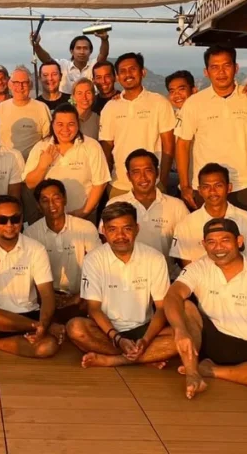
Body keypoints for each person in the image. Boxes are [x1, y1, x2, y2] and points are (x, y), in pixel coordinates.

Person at [174, 45, 247, 301]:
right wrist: (186, 184)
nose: (221, 72)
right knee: (206, 247)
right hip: (208, 189)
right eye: (215, 67)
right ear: (206, 72)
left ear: (236, 68)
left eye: (226, 65)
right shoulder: (195, 103)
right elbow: (182, 144)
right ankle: (209, 303)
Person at [164, 218, 247, 399]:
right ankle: (192, 373)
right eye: (211, 242)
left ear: (239, 241)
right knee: (186, 306)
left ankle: (211, 371)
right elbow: (173, 295)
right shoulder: (199, 267)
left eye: (225, 240)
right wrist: (179, 329)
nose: (218, 248)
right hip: (212, 338)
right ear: (204, 245)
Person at [65, 202, 177, 369]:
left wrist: (145, 341)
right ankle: (144, 357)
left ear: (137, 229)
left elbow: (161, 308)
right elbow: (93, 308)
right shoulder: (94, 259)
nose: (120, 236)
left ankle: (114, 360)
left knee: (183, 336)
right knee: (75, 328)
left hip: (143, 329)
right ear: (104, 232)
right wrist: (118, 338)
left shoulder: (155, 258)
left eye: (127, 228)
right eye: (113, 230)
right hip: (106, 330)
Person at [0, 196, 61, 358]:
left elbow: (47, 295)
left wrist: (43, 323)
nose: (9, 225)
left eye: (15, 219)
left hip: (26, 315)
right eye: (2, 220)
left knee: (48, 347)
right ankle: (30, 328)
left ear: (21, 219)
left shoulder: (36, 249)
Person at [165, 69, 247, 197]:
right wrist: (184, 186)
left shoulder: (207, 110)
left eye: (181, 89)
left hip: (215, 184)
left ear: (194, 90)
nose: (176, 95)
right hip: (188, 185)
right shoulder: (170, 118)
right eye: (172, 91)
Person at [99, 53, 177, 197]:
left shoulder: (159, 102)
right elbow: (106, 148)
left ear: (143, 72)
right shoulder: (110, 107)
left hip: (153, 183)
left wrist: (162, 180)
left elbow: (168, 145)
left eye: (132, 69)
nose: (128, 74)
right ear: (117, 77)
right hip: (119, 185)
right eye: (122, 71)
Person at [25, 179, 101, 323]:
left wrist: (79, 296)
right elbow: (30, 275)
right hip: (46, 297)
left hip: (80, 296)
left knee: (94, 304)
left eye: (56, 198)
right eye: (45, 200)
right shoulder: (30, 233)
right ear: (38, 206)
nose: (52, 205)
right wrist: (49, 298)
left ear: (65, 199)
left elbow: (98, 268)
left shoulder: (85, 227)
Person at [106, 150, 189, 278]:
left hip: (166, 278)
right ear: (128, 176)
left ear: (157, 173)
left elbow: (187, 248)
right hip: (125, 279)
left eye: (148, 170)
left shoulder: (176, 206)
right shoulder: (115, 203)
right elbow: (106, 243)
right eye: (136, 172)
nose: (143, 177)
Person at [169, 163, 247, 267]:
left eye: (218, 185)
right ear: (200, 191)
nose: (212, 191)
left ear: (229, 188)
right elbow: (187, 267)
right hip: (199, 282)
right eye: (206, 186)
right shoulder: (186, 224)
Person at [25, 104, 110, 219]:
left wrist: (84, 212)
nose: (65, 129)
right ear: (53, 124)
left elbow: (100, 183)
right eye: (60, 124)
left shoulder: (91, 146)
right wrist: (42, 165)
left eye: (71, 124)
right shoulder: (41, 147)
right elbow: (30, 184)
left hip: (84, 217)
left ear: (78, 125)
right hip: (49, 219)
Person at [0, 66, 51, 160]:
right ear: (10, 85)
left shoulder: (41, 108)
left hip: (34, 166)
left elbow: (48, 140)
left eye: (24, 82)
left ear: (30, 85)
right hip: (7, 167)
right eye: (16, 83)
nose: (20, 87)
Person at [31, 30, 110, 94]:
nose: (82, 52)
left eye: (85, 48)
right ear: (72, 51)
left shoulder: (94, 65)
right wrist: (37, 45)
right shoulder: (63, 65)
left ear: (90, 51)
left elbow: (103, 55)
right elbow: (47, 60)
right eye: (78, 48)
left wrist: (104, 40)